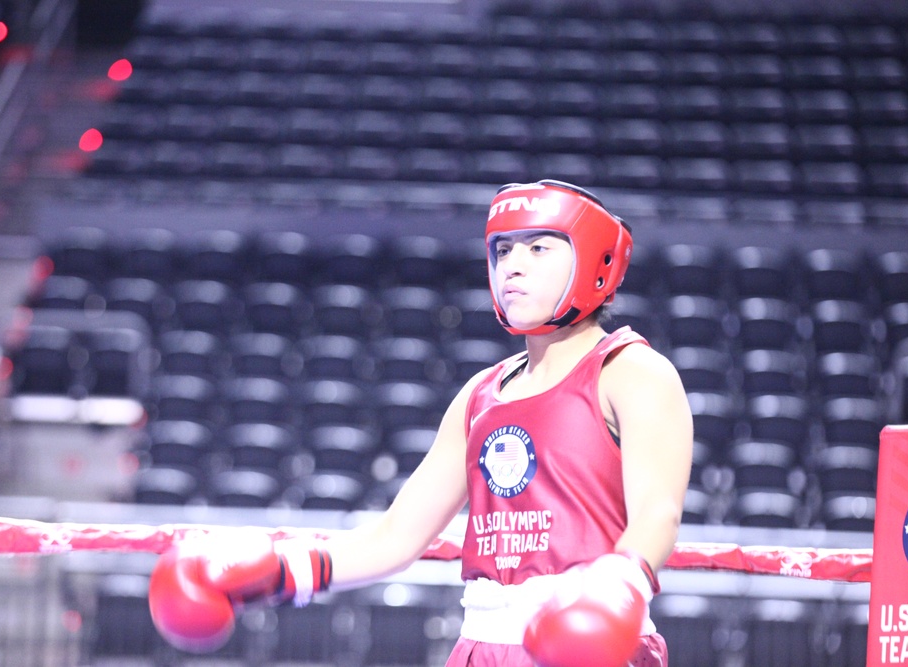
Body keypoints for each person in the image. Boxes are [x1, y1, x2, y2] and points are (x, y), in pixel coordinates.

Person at [148, 179, 694, 667]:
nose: (513, 266)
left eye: (537, 247)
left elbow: (659, 512)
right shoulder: (481, 394)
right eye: (503, 250)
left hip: (595, 643)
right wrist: (282, 571)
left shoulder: (632, 371)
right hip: (479, 647)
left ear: (595, 260)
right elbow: (396, 537)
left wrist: (615, 589)